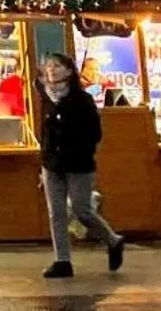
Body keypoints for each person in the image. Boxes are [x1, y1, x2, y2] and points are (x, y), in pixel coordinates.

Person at [39, 53, 125, 278]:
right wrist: (43, 162)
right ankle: (62, 261)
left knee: (82, 210)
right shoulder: (46, 99)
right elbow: (44, 133)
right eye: (49, 66)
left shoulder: (82, 100)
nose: (52, 70)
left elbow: (94, 133)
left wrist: (78, 148)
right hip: (51, 164)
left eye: (57, 66)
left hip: (78, 164)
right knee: (56, 213)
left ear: (69, 71)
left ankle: (112, 239)